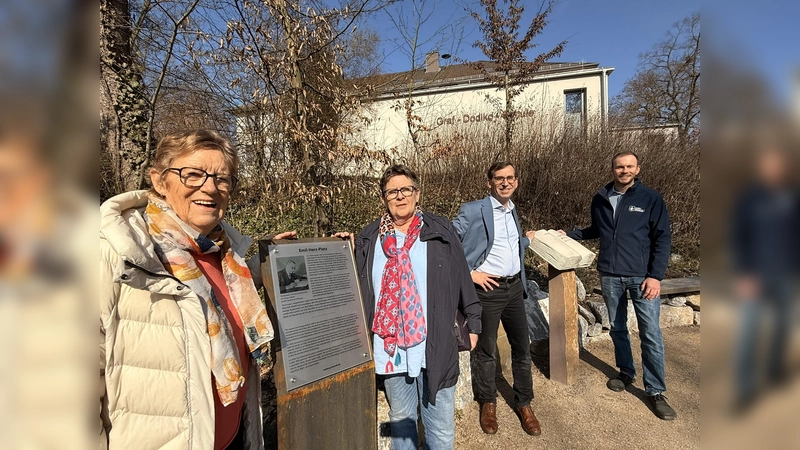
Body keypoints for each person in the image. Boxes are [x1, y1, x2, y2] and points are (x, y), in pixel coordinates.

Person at [100, 129, 294, 449]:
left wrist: (281, 257)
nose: (210, 187)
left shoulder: (224, 254)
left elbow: (223, 299)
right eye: (193, 174)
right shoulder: (119, 254)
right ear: (160, 181)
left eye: (222, 178)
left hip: (234, 437)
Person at [354, 164, 481, 450]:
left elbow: (462, 275)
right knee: (401, 419)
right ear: (384, 198)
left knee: (440, 426)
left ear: (417, 193)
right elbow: (358, 283)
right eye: (392, 192)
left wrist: (474, 319)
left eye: (406, 189)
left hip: (435, 342)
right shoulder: (369, 238)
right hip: (391, 348)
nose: (400, 196)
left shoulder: (440, 230)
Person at [563, 151, 676, 420]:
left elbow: (663, 238)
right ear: (612, 169)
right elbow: (596, 230)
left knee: (650, 333)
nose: (623, 170)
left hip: (642, 277)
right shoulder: (601, 198)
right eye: (619, 167)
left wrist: (655, 276)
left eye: (629, 167)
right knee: (618, 328)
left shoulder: (650, 198)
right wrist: (567, 234)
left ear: (637, 169)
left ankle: (655, 390)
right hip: (610, 275)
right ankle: (626, 372)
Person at [452, 161, 541, 436]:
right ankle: (487, 402)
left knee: (522, 349)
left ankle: (524, 403)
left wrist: (529, 239)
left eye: (510, 177)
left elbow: (507, 243)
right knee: (486, 352)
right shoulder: (473, 209)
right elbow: (447, 243)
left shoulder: (512, 209)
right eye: (499, 178)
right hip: (487, 292)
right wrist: (470, 273)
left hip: (515, 289)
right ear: (489, 182)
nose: (506, 182)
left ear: (516, 181)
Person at [731, 146, 799, 413]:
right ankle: (746, 389)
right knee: (749, 331)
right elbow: (737, 237)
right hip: (755, 275)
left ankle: (774, 369)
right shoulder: (748, 200)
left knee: (782, 326)